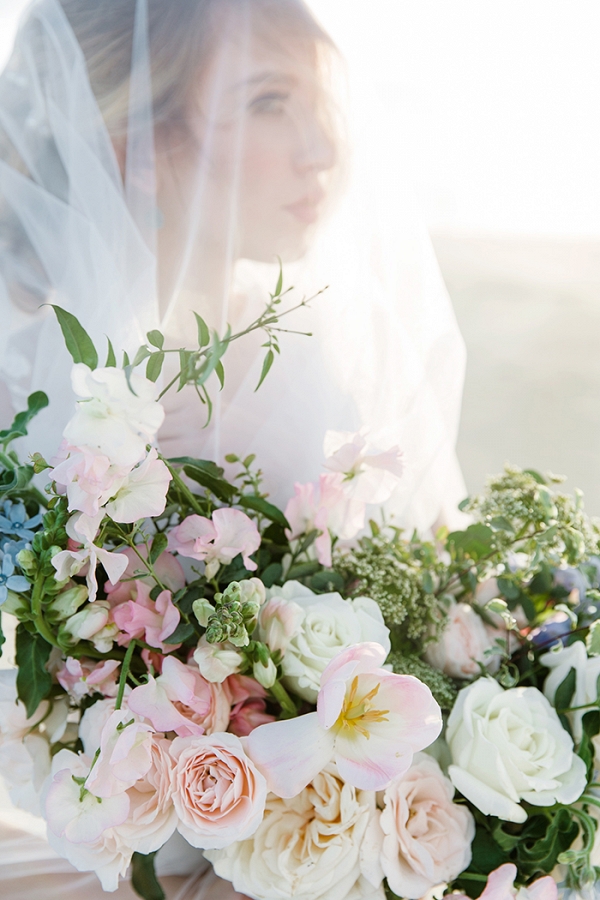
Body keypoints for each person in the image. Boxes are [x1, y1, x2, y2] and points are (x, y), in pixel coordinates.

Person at [0, 0, 467, 897]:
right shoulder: (42, 398)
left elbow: (439, 625)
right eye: (266, 102)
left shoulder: (324, 350)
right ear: (142, 146)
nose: (321, 151)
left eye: (310, 102)